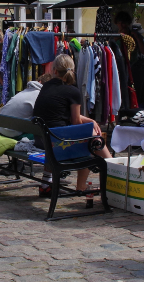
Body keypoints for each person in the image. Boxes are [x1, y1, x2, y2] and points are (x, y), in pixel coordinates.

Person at [32, 54, 112, 196]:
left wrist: (90, 120)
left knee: (88, 135)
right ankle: (109, 169)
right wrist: (91, 124)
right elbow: (75, 122)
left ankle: (46, 184)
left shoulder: (46, 87)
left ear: (54, 70)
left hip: (42, 139)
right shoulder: (73, 91)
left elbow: (62, 114)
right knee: (92, 141)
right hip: (57, 143)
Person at [0, 72, 52, 137]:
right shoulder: (41, 96)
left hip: (1, 129)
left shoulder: (26, 91)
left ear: (39, 81)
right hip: (12, 133)